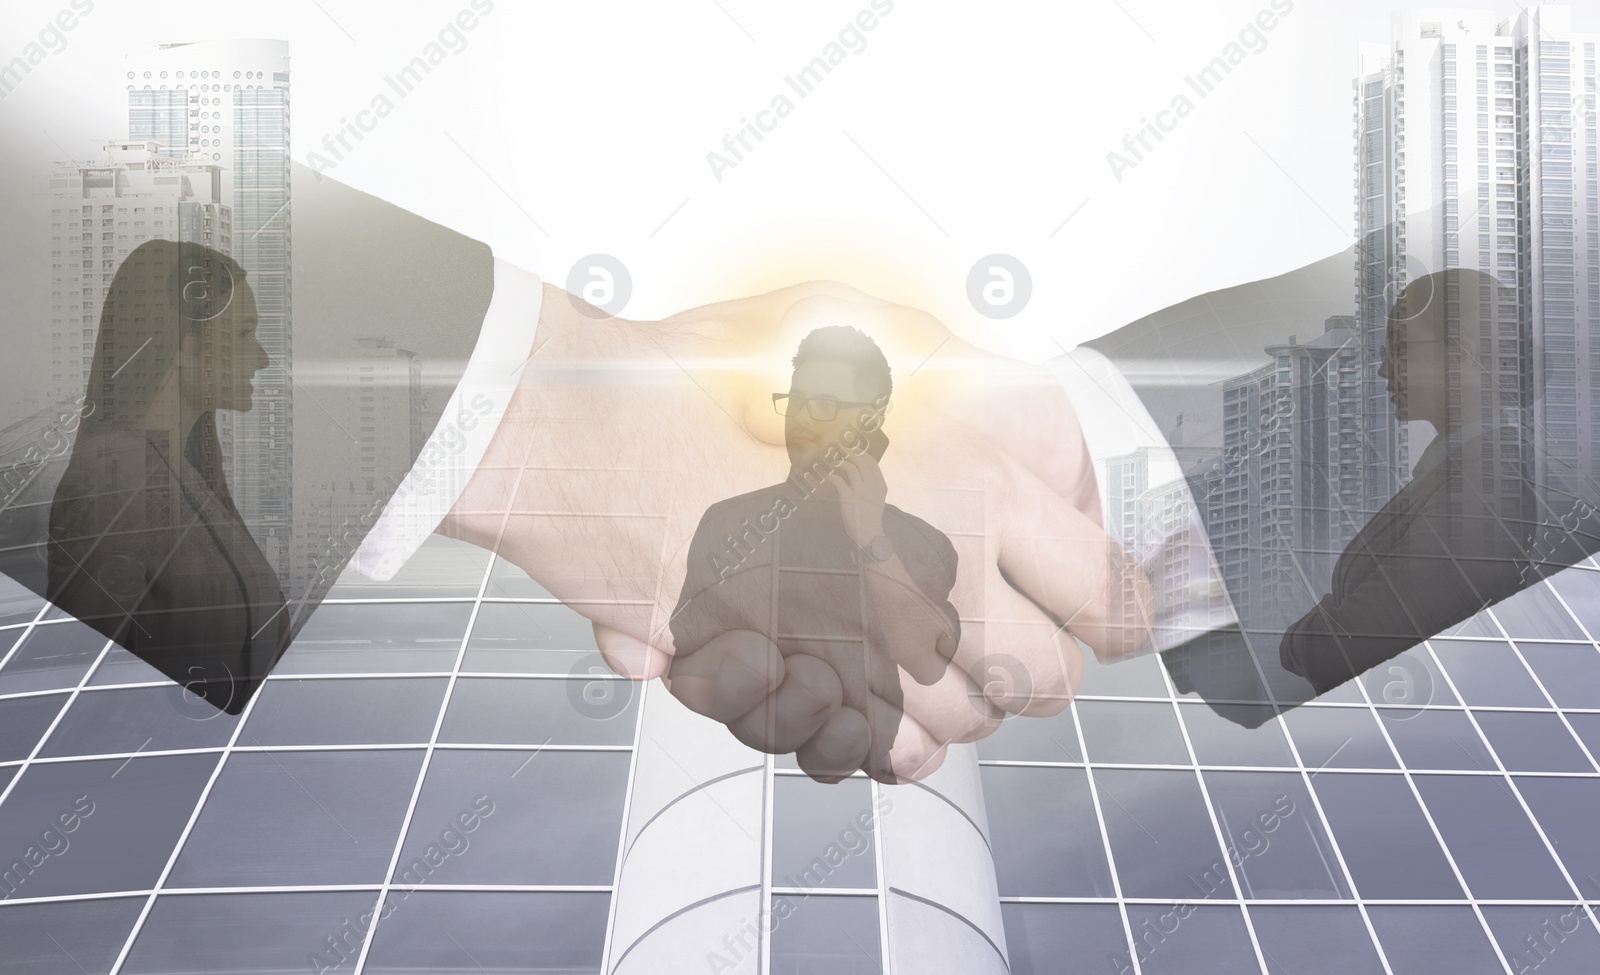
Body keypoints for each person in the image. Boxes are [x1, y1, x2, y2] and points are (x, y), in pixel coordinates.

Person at [665, 324, 962, 783]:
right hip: (735, 772)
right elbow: (683, 642)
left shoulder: (921, 542)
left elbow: (927, 662)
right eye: (795, 401)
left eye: (823, 406)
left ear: (874, 416)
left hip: (868, 760)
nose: (801, 419)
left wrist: (870, 536)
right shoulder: (729, 521)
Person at [46, 241, 288, 713]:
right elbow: (76, 678)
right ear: (180, 343)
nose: (261, 358)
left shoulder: (188, 471)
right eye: (242, 333)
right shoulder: (113, 476)